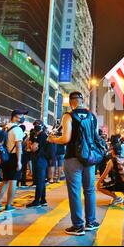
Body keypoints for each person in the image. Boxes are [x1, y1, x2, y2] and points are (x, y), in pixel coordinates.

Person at [48, 91, 101, 236]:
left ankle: (78, 226)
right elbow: (95, 137)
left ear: (71, 102)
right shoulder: (92, 116)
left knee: (75, 192)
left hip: (73, 157)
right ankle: (91, 222)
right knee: (89, 190)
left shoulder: (68, 115)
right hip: (90, 158)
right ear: (82, 100)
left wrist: (53, 139)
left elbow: (65, 139)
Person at [0, 110, 26, 213]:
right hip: (14, 156)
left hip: (5, 156)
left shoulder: (5, 127)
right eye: (21, 115)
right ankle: (9, 205)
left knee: (5, 180)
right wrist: (19, 161)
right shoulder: (18, 130)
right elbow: (18, 146)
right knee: (13, 181)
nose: (23, 117)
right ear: (15, 117)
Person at [97, 136, 124, 205]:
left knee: (99, 186)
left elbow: (104, 175)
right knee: (121, 180)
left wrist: (98, 183)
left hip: (119, 184)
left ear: (113, 151)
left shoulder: (112, 161)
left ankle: (116, 198)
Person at [26, 120, 49, 208]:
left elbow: (33, 148)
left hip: (40, 159)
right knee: (41, 180)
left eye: (38, 125)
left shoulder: (41, 135)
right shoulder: (40, 135)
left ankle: (37, 201)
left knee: (39, 180)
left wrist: (31, 143)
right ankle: (43, 200)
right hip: (42, 159)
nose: (36, 127)